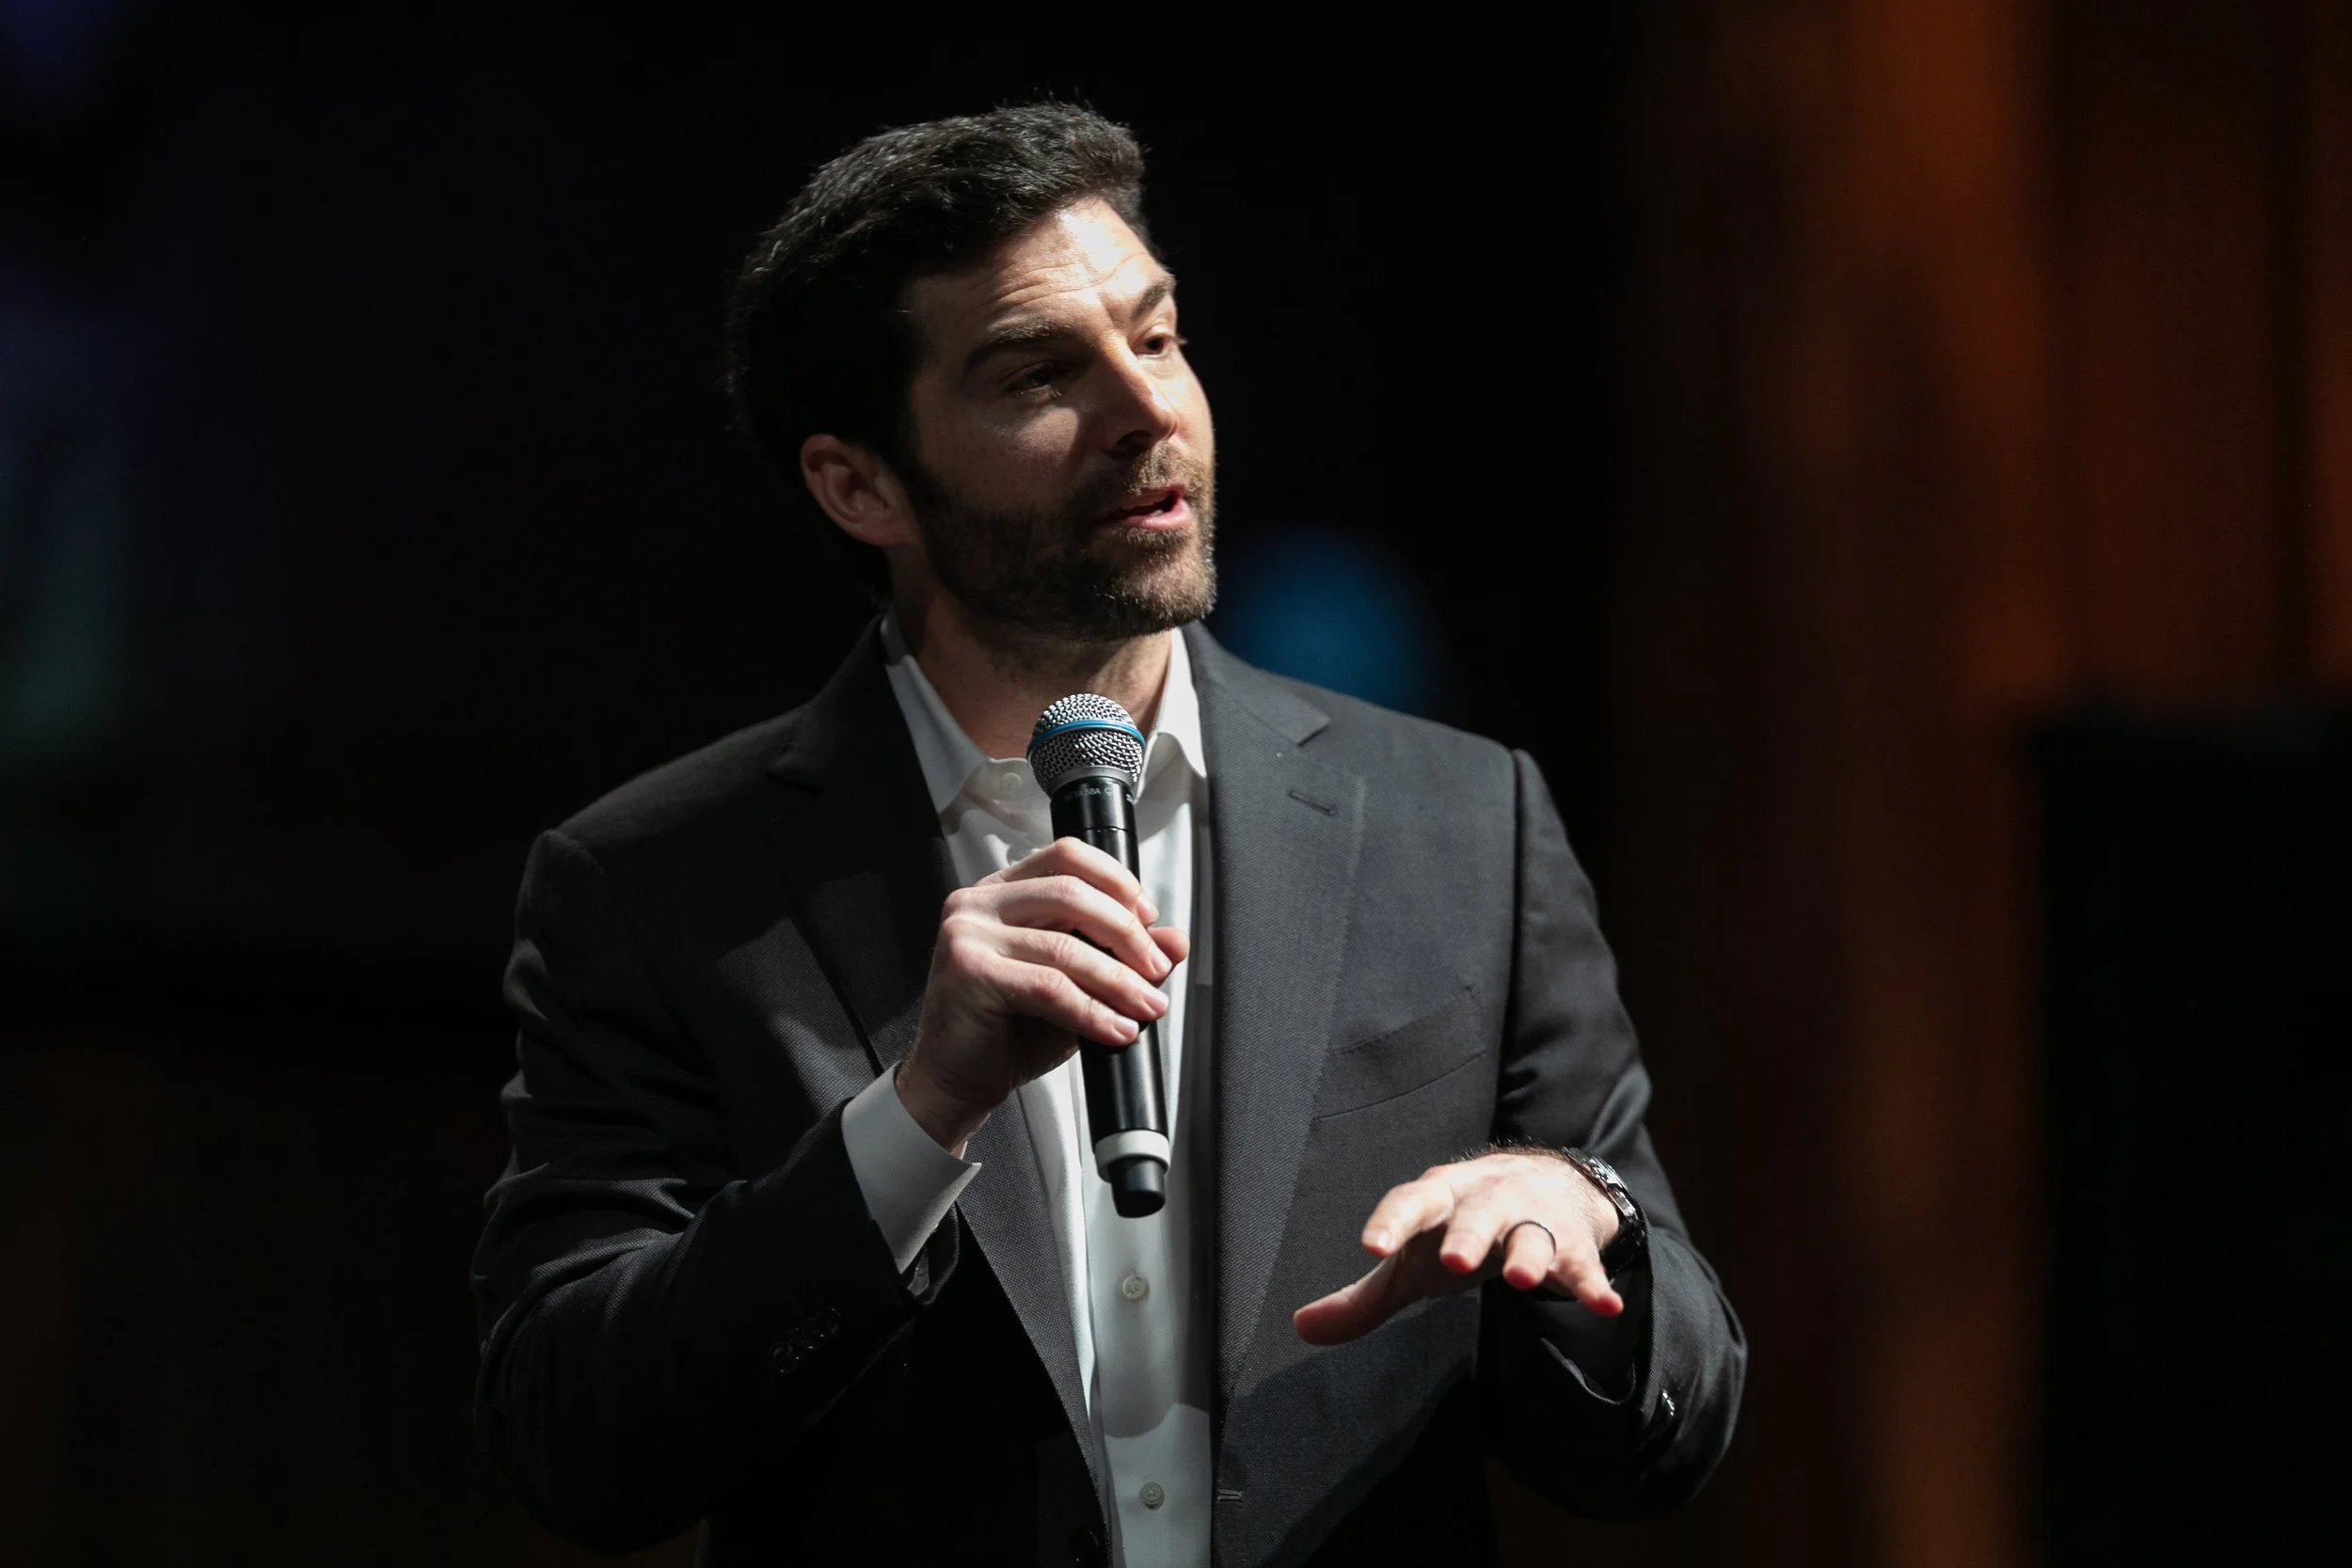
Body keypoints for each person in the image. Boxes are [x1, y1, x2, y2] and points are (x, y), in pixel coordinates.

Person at [470, 103, 1743, 1568]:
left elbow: (1672, 1428)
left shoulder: (1462, 823)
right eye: (1038, 374)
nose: (1149, 411)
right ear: (860, 483)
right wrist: (916, 1116)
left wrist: (1582, 1230)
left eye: (1157, 335)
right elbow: (574, 1441)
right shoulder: (657, 886)